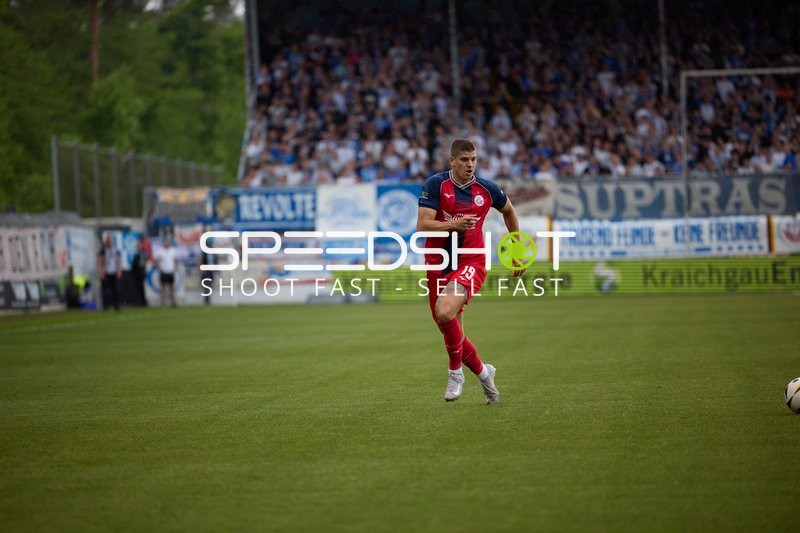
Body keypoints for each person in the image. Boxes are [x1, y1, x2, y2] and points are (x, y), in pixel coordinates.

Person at [417, 139, 526, 404]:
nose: (470, 164)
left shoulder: (487, 189)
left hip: (471, 262)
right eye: (465, 160)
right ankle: (485, 375)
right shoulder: (436, 185)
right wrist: (453, 224)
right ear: (452, 161)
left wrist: (516, 248)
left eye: (474, 159)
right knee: (452, 330)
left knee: (445, 311)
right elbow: (423, 225)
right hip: (439, 263)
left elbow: (509, 212)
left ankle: (455, 374)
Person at [97, 235, 122, 311]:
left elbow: (118, 261)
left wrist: (118, 270)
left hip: (114, 271)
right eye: (108, 241)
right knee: (106, 290)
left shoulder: (115, 250)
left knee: (116, 290)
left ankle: (116, 305)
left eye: (110, 241)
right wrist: (101, 272)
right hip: (106, 272)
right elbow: (100, 262)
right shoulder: (103, 250)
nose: (109, 242)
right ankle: (106, 306)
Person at [153, 237, 179, 307]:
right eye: (165, 242)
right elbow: (155, 261)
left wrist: (175, 267)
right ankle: (162, 302)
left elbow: (176, 260)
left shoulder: (172, 251)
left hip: (170, 271)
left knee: (171, 287)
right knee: (163, 287)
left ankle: (172, 302)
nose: (166, 244)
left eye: (167, 242)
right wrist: (159, 268)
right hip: (163, 271)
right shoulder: (160, 251)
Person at [131, 237, 149, 307]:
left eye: (139, 244)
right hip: (137, 272)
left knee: (141, 288)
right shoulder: (138, 252)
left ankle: (143, 301)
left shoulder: (142, 253)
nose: (137, 245)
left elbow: (141, 263)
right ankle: (140, 301)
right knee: (138, 288)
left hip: (140, 272)